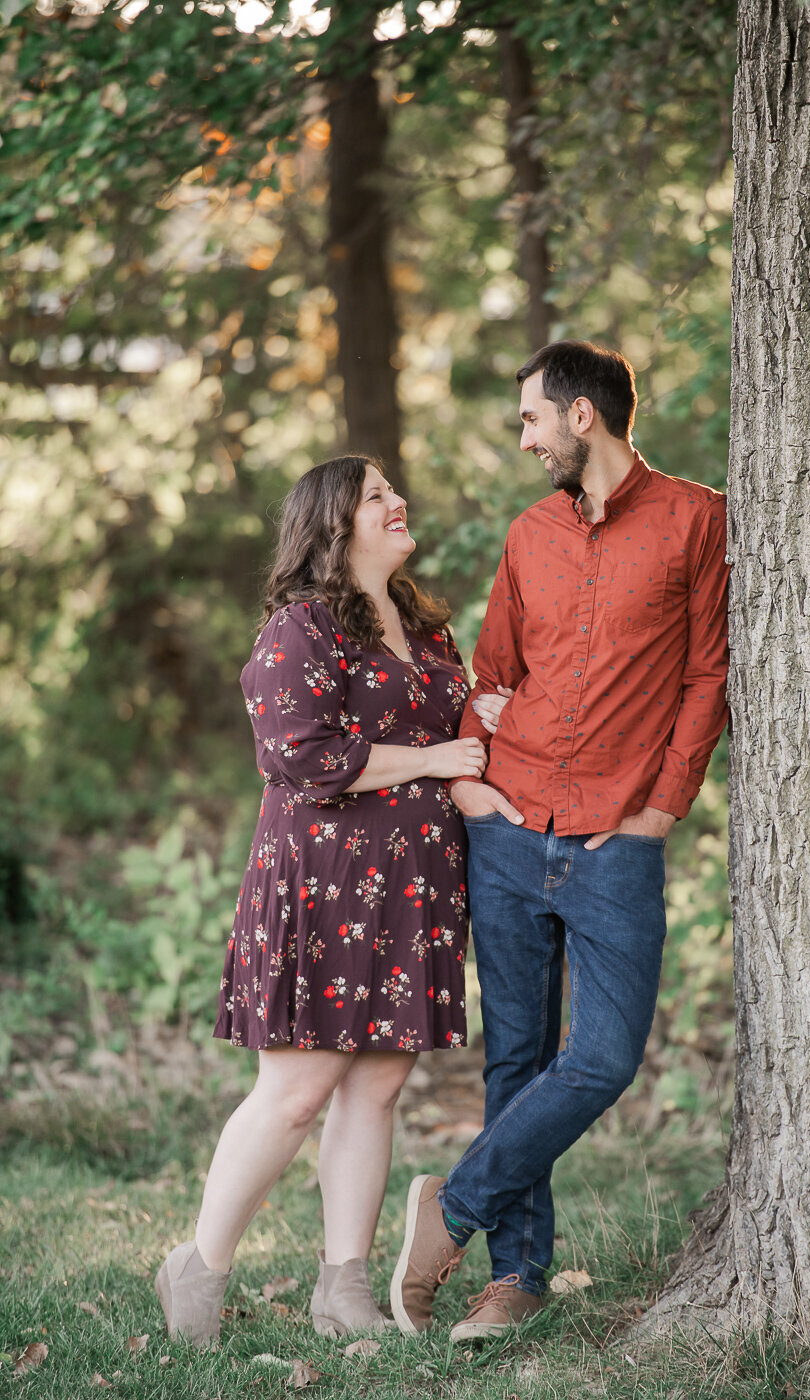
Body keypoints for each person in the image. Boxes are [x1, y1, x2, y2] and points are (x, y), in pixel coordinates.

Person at [390, 339, 730, 1340]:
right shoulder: (530, 531)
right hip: (509, 824)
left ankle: (451, 1207)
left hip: (617, 838)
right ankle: (515, 1277)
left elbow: (707, 674)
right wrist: (470, 783)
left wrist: (661, 807)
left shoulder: (695, 519)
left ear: (583, 415)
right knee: (516, 1057)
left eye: (531, 418)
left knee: (604, 1056)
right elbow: (492, 673)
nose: (524, 438)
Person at [155, 454, 501, 1347]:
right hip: (326, 885)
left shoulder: (424, 628)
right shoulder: (300, 627)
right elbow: (297, 755)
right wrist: (431, 759)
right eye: (376, 495)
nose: (398, 502)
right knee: (296, 1091)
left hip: (416, 887)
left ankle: (342, 1288)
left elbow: (456, 732)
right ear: (332, 524)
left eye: (393, 490)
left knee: (377, 1089)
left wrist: (483, 724)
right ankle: (199, 1268)